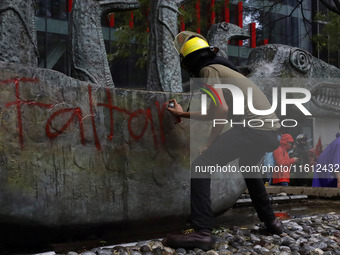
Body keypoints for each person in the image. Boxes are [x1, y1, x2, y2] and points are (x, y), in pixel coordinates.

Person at [163, 31, 283, 251]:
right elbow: (215, 111)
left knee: (200, 166)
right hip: (269, 131)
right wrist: (183, 114)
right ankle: (272, 223)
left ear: (189, 60)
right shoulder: (223, 70)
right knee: (248, 168)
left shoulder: (208, 70)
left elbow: (221, 110)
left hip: (252, 129)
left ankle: (202, 232)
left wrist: (209, 143)